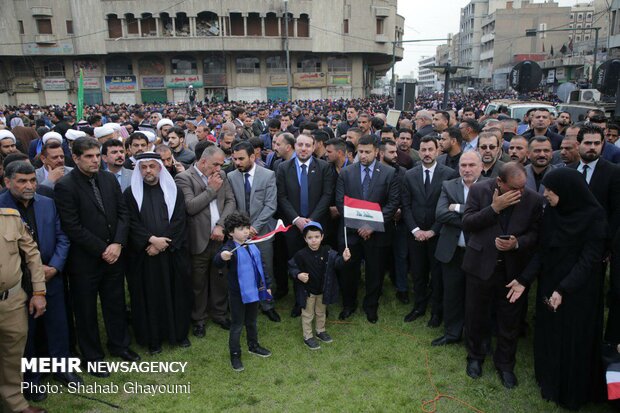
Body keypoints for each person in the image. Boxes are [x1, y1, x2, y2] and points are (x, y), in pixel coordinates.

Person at [507, 168, 607, 410]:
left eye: (551, 190)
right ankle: (549, 380)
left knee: (574, 340)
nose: (545, 194)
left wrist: (563, 290)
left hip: (579, 290)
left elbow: (589, 260)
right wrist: (523, 280)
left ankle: (572, 390)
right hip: (550, 283)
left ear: (567, 191)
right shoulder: (552, 213)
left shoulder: (595, 217)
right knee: (549, 334)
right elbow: (542, 251)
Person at [55, 137, 140, 377]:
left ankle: (120, 345)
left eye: (96, 156)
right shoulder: (66, 185)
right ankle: (92, 357)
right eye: (88, 156)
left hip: (114, 256)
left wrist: (118, 243)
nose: (94, 160)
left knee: (115, 303)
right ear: (76, 158)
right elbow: (72, 226)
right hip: (85, 261)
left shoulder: (109, 179)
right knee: (86, 311)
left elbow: (123, 214)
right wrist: (103, 249)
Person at [462, 162, 544, 389]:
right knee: (476, 315)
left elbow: (536, 234)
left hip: (513, 270)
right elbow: (467, 223)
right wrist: (494, 209)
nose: (519, 193)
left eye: (522, 188)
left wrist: (517, 243)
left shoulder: (533, 199)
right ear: (499, 182)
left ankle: (505, 365)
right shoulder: (479, 190)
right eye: (513, 189)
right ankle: (475, 357)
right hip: (480, 266)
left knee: (510, 321)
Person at [123, 152, 192, 355]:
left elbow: (179, 220)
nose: (148, 171)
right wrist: (151, 240)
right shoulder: (130, 193)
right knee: (148, 297)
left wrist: (163, 243)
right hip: (145, 256)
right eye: (144, 167)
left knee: (176, 293)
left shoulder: (174, 190)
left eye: (152, 166)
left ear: (160, 167)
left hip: (171, 254)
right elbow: (131, 222)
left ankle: (178, 334)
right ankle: (152, 339)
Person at [335, 134, 400, 323]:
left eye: (367, 152)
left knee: (375, 271)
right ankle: (349, 304)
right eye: (360, 152)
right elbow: (340, 202)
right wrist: (359, 225)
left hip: (377, 233)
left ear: (377, 152)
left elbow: (392, 203)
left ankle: (371, 306)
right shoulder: (346, 173)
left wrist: (371, 225)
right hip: (351, 233)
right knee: (349, 271)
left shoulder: (389, 173)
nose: (363, 156)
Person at [175, 145, 236, 338]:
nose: (219, 168)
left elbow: (230, 202)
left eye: (221, 164)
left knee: (220, 278)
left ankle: (219, 313)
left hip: (219, 237)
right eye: (216, 164)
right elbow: (190, 207)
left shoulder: (222, 176)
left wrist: (221, 225)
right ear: (203, 162)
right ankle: (199, 318)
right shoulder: (184, 178)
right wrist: (211, 189)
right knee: (198, 282)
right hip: (198, 239)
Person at [402, 135, 459, 327]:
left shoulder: (449, 174)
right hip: (415, 234)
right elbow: (406, 206)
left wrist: (433, 231)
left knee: (437, 275)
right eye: (423, 150)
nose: (427, 153)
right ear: (419, 151)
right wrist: (416, 230)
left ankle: (436, 311)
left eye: (430, 150)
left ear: (437, 150)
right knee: (418, 273)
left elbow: (449, 205)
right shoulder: (409, 174)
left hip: (439, 234)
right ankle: (419, 306)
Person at [276, 134, 336, 315]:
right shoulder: (283, 168)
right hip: (293, 226)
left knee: (319, 265)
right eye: (300, 145)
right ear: (294, 146)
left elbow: (327, 195)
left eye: (307, 145)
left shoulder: (324, 167)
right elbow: (282, 196)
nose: (303, 148)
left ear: (314, 147)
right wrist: (296, 219)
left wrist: (312, 221)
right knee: (298, 264)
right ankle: (299, 302)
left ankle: (321, 303)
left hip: (317, 225)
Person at [432, 151, 484, 347]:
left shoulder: (490, 185)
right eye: (463, 165)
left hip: (476, 253)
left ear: (480, 167)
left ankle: (473, 336)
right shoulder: (448, 185)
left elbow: (489, 215)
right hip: (452, 251)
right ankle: (452, 333)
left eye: (471, 165)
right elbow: (440, 214)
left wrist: (458, 208)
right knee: (452, 294)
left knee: (475, 298)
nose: (467, 169)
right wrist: (473, 218)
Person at [0, 203, 47, 413]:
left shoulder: (11, 218)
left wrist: (38, 293)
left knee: (13, 354)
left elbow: (33, 256)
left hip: (12, 300)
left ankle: (16, 405)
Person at [228, 141, 281, 322]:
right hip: (239, 233)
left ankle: (268, 304)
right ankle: (247, 303)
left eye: (241, 158)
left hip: (263, 231)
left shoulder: (268, 175)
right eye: (234, 159)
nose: (237, 162)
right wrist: (241, 229)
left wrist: (255, 227)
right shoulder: (232, 177)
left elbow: (270, 205)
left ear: (253, 157)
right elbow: (232, 203)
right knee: (243, 268)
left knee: (265, 267)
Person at [214, 212, 272, 372]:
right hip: (238, 294)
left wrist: (266, 285)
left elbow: (262, 267)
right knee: (237, 325)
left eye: (247, 227)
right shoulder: (229, 247)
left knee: (252, 322)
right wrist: (222, 256)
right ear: (231, 232)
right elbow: (217, 261)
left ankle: (253, 346)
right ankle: (235, 354)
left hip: (254, 292)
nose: (246, 231)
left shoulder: (252, 244)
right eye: (241, 229)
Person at [288, 221, 351, 349]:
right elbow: (291, 268)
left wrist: (343, 259)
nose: (314, 240)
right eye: (310, 238)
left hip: (323, 290)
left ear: (322, 237)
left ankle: (320, 331)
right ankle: (308, 336)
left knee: (321, 312)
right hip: (308, 292)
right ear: (305, 239)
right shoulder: (300, 255)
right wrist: (298, 274)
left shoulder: (328, 251)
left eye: (317, 237)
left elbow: (337, 264)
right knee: (307, 314)